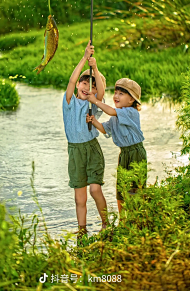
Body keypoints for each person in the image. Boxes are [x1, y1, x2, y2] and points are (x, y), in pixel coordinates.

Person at [62, 41, 107, 238]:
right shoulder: (69, 101)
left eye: (92, 85)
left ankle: (106, 224)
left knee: (95, 189)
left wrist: (95, 67)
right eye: (84, 82)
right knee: (79, 198)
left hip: (91, 149)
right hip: (75, 152)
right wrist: (84, 58)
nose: (87, 87)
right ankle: (82, 231)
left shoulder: (94, 103)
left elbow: (103, 92)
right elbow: (71, 82)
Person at [86, 78, 147, 213]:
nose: (116, 96)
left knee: (135, 188)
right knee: (121, 189)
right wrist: (93, 120)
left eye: (121, 94)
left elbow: (110, 111)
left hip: (136, 152)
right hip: (124, 154)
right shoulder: (115, 118)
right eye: (115, 93)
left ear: (131, 100)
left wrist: (95, 101)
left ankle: (137, 218)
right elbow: (103, 129)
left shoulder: (130, 112)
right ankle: (123, 221)